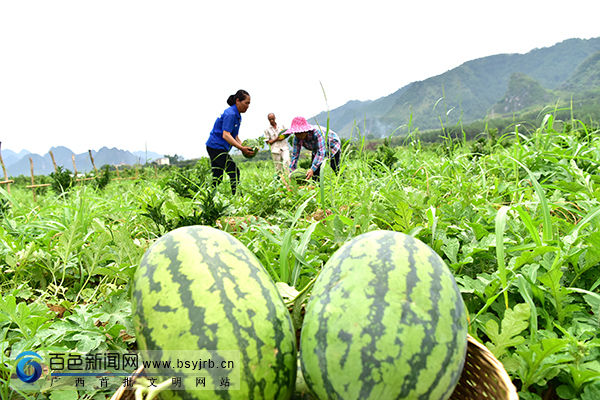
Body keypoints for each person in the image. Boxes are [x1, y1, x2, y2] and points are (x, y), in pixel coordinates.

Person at [205, 89, 254, 195]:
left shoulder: (237, 115)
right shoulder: (230, 114)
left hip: (218, 147)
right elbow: (226, 135)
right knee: (234, 171)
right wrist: (241, 148)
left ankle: (209, 196)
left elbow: (234, 135)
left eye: (249, 103)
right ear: (237, 101)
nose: (248, 106)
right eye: (246, 103)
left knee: (218, 175)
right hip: (215, 147)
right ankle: (236, 197)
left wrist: (244, 146)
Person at [287, 116, 341, 181]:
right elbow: (295, 155)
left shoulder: (317, 133)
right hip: (316, 149)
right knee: (315, 172)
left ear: (305, 130)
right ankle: (318, 188)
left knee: (335, 166)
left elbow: (321, 152)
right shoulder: (297, 138)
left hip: (332, 145)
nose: (298, 135)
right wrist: (291, 172)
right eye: (295, 133)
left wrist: (312, 169)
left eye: (300, 132)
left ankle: (343, 181)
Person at [264, 113, 290, 178]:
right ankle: (281, 181)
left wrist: (283, 137)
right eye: (270, 119)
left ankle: (288, 177)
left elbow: (288, 133)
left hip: (284, 147)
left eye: (272, 119)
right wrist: (276, 139)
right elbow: (268, 142)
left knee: (287, 161)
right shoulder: (267, 129)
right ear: (268, 120)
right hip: (275, 150)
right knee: (278, 167)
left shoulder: (281, 125)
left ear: (275, 118)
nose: (272, 121)